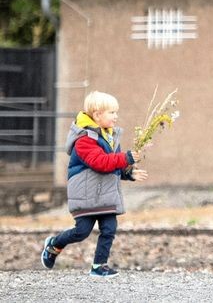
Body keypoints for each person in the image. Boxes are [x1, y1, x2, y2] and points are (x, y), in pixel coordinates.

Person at [40, 91, 148, 278]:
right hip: (87, 195)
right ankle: (54, 244)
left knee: (109, 228)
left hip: (105, 194)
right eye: (112, 112)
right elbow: (100, 162)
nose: (116, 116)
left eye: (116, 112)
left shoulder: (111, 137)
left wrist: (128, 172)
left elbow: (113, 165)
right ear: (97, 115)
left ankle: (99, 265)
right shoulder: (84, 140)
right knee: (81, 231)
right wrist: (126, 157)